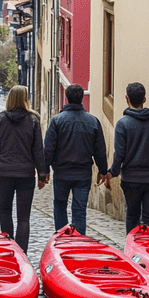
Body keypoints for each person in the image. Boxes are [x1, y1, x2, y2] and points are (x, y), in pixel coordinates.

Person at [101, 82, 149, 234]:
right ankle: (148, 250)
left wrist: (111, 173)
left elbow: (119, 154)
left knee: (132, 216)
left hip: (131, 180)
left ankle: (132, 248)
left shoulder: (123, 124)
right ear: (144, 99)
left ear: (126, 98)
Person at [0, 85, 47, 253]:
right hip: (26, 174)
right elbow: (38, 150)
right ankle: (22, 253)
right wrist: (41, 174)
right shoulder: (34, 120)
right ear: (26, 99)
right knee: (24, 217)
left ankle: (8, 249)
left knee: (5, 211)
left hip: (4, 172)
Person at [44, 84, 107, 235]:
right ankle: (78, 240)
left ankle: (61, 238)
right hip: (83, 173)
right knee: (79, 209)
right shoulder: (93, 121)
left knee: (60, 206)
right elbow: (100, 149)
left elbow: (48, 148)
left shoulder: (57, 121)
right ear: (82, 99)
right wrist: (102, 170)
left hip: (61, 172)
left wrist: (44, 170)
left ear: (66, 98)